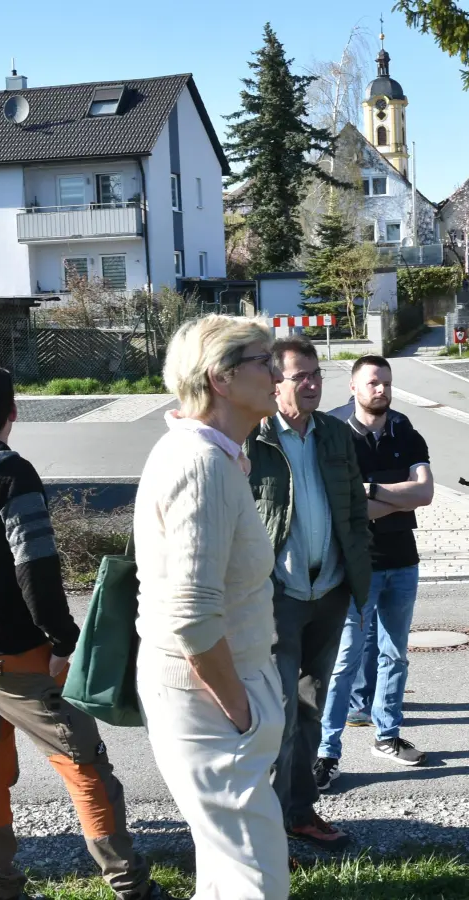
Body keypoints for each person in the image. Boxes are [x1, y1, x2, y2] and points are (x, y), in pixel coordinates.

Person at [0, 364, 162, 900]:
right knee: (85, 766)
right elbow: (35, 572)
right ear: (13, 414)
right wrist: (64, 645)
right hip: (19, 659)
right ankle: (132, 887)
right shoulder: (12, 477)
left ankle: (0, 888)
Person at [131, 315, 288, 900]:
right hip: (211, 703)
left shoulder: (208, 455)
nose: (277, 373)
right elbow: (193, 617)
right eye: (262, 361)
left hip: (214, 694)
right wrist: (242, 713)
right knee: (257, 883)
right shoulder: (200, 464)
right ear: (220, 378)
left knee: (227, 875)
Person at [245, 334, 371, 852]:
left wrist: (356, 570)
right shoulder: (254, 440)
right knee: (276, 713)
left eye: (317, 374)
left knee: (311, 706)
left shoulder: (337, 435)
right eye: (302, 376)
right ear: (276, 384)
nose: (314, 383)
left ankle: (298, 812)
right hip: (277, 596)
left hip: (331, 591)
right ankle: (265, 823)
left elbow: (356, 511)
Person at [315, 356, 435, 790]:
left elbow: (425, 493)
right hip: (357, 566)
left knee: (395, 655)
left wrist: (371, 491)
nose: (380, 390)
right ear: (353, 387)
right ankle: (326, 752)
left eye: (386, 382)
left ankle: (387, 736)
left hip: (404, 562)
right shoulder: (333, 432)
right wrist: (396, 499)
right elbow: (343, 506)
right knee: (346, 660)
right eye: (372, 383)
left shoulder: (405, 430)